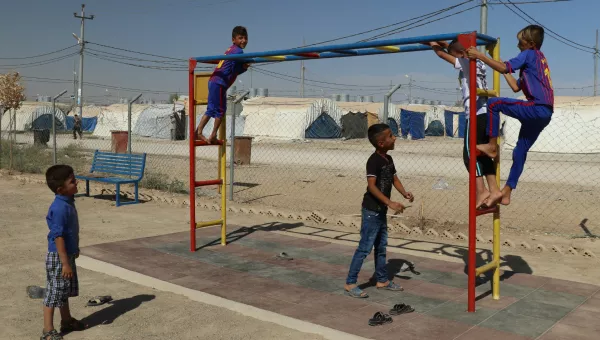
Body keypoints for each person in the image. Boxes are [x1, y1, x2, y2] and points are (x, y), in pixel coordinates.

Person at [466, 24, 554, 205]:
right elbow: (515, 86)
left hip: (536, 107)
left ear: (530, 43)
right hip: (545, 112)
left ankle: (491, 145)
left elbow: (505, 67)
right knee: (520, 151)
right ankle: (506, 192)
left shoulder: (528, 54)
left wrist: (480, 55)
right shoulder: (537, 60)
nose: (517, 46)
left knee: (493, 103)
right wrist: (497, 63)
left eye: (520, 43)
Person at [425, 40, 502, 208]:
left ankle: (481, 191)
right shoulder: (479, 61)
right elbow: (454, 47)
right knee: (483, 154)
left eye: (455, 56)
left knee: (469, 155)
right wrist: (446, 44)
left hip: (475, 113)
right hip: (485, 112)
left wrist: (432, 44)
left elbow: (441, 54)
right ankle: (494, 189)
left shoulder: (466, 62)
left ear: (460, 54)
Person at [344, 123, 414, 298]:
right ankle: (350, 282)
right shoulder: (373, 161)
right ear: (381, 143)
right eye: (391, 136)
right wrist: (390, 202)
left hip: (380, 211)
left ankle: (382, 279)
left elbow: (394, 179)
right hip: (371, 211)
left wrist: (404, 193)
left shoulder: (388, 159)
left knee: (381, 246)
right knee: (365, 248)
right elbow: (372, 187)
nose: (395, 138)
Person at [41, 165, 86, 340]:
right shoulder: (59, 208)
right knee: (54, 292)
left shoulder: (67, 200)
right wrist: (65, 263)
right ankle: (47, 330)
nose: (76, 183)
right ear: (61, 189)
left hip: (67, 254)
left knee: (63, 290)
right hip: (60, 258)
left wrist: (74, 251)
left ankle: (66, 320)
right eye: (72, 181)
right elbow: (58, 236)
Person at [195, 26, 249, 144]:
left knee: (216, 109)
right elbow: (236, 70)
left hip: (216, 82)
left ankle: (202, 132)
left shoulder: (231, 50)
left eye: (245, 38)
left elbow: (233, 69)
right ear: (233, 39)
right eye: (240, 38)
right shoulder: (238, 52)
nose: (243, 41)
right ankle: (203, 133)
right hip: (219, 82)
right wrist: (245, 65)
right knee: (217, 110)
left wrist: (243, 67)